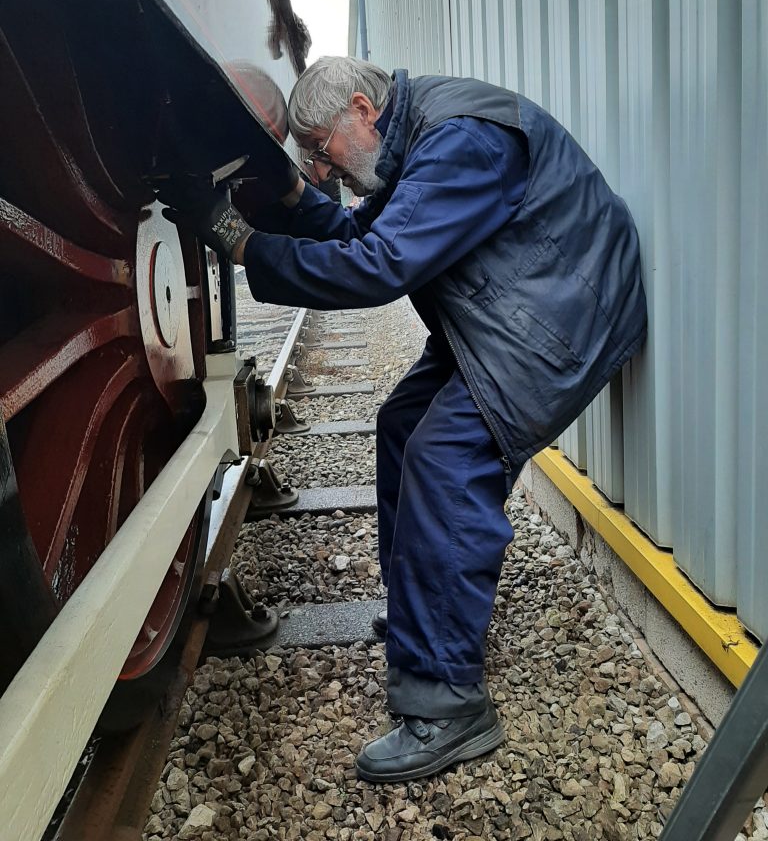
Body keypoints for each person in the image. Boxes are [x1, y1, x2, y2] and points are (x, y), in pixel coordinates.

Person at [160, 57, 647, 783]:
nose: (325, 168)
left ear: (361, 108)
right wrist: (292, 201)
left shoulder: (459, 143)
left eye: (322, 150)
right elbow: (361, 234)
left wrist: (240, 242)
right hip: (511, 304)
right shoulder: (416, 137)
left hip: (560, 319)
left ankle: (449, 704)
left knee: (444, 462)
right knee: (401, 423)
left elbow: (378, 266)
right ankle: (426, 613)